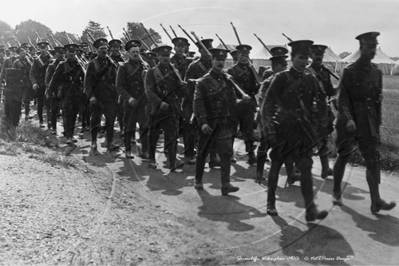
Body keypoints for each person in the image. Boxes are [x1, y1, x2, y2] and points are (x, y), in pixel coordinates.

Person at [262, 40, 328, 222]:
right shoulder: (281, 78)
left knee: (306, 168)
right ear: (292, 58)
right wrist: (269, 130)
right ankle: (270, 203)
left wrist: (320, 120)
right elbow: (267, 105)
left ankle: (310, 209)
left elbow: (321, 100)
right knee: (276, 164)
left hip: (303, 131)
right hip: (283, 128)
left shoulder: (310, 79)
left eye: (306, 58)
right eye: (300, 57)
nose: (304, 61)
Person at [333, 32, 396, 213]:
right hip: (349, 121)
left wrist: (377, 125)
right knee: (343, 155)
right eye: (369, 47)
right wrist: (349, 120)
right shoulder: (349, 71)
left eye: (374, 47)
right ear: (361, 48)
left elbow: (378, 101)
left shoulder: (377, 72)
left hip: (368, 123)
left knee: (373, 159)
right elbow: (342, 100)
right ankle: (336, 191)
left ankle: (375, 200)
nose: (372, 51)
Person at [193, 48, 250, 195]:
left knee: (225, 153)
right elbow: (198, 103)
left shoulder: (227, 79)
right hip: (209, 122)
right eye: (217, 60)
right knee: (203, 152)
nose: (220, 62)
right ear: (212, 61)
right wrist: (203, 122)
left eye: (222, 60)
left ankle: (226, 184)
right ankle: (198, 180)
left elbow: (231, 102)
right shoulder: (203, 82)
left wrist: (242, 102)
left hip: (224, 122)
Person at [257, 46, 299, 184]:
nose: (285, 68)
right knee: (264, 145)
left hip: (283, 120)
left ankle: (290, 174)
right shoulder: (267, 82)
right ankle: (259, 174)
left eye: (286, 65)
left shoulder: (288, 81)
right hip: (268, 119)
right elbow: (262, 101)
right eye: (282, 65)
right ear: (274, 66)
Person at [145, 44, 187, 171]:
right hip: (157, 109)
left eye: (167, 56)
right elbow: (149, 91)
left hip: (171, 107)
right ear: (157, 56)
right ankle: (152, 159)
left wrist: (183, 88)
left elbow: (179, 92)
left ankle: (172, 161)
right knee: (153, 135)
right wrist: (159, 102)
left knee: (172, 136)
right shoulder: (151, 72)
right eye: (163, 56)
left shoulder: (175, 71)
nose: (165, 58)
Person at [185, 38, 220, 167]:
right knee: (192, 129)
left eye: (210, 51)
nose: (209, 53)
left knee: (214, 128)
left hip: (212, 103)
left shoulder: (214, 66)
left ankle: (213, 157)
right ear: (200, 51)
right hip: (196, 101)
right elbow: (188, 84)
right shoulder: (193, 66)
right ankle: (189, 154)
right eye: (206, 50)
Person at [85, 38, 120, 154]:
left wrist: (117, 94)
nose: (104, 50)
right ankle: (94, 142)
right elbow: (88, 82)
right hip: (97, 97)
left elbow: (116, 79)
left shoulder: (111, 63)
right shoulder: (92, 63)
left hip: (109, 97)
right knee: (95, 120)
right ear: (97, 50)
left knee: (110, 120)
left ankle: (109, 142)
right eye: (101, 49)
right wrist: (91, 96)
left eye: (105, 48)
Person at [116, 39, 150, 159]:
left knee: (144, 126)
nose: (136, 54)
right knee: (129, 127)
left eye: (137, 51)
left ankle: (145, 151)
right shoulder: (123, 67)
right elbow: (119, 86)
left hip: (142, 102)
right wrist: (129, 98)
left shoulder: (145, 66)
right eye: (133, 52)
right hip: (129, 102)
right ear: (128, 53)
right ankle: (128, 151)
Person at [227, 44, 260, 165]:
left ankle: (251, 154)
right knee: (232, 129)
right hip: (236, 103)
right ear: (237, 56)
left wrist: (253, 91)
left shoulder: (252, 70)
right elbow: (230, 89)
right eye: (242, 55)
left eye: (246, 56)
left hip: (248, 104)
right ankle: (230, 153)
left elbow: (257, 86)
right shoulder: (232, 70)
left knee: (248, 130)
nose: (244, 58)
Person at [307, 44, 336, 179]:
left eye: (321, 55)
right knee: (307, 141)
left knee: (323, 139)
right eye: (316, 54)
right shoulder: (306, 72)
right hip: (309, 113)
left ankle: (325, 168)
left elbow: (329, 91)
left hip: (323, 112)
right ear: (310, 55)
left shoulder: (325, 72)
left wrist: (342, 87)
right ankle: (297, 167)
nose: (318, 57)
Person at [48, 44, 84, 145]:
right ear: (66, 53)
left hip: (77, 92)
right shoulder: (62, 65)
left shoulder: (79, 64)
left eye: (73, 52)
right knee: (68, 113)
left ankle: (71, 135)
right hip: (66, 92)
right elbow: (54, 79)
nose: (72, 54)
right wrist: (49, 91)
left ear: (75, 53)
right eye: (69, 52)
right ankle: (68, 136)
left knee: (74, 114)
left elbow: (84, 77)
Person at [29, 41, 51, 128]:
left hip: (49, 84)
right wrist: (34, 83)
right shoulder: (36, 60)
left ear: (47, 49)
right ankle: (41, 121)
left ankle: (50, 122)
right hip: (40, 84)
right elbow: (32, 73)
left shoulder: (51, 59)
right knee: (40, 104)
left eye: (44, 48)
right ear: (39, 49)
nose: (43, 50)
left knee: (50, 103)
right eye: (41, 48)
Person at [45, 46, 65, 135]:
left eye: (62, 53)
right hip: (55, 90)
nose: (61, 55)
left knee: (65, 110)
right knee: (54, 110)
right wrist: (50, 91)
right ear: (55, 55)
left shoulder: (66, 64)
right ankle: (54, 128)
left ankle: (66, 129)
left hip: (65, 90)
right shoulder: (51, 66)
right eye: (59, 54)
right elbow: (48, 80)